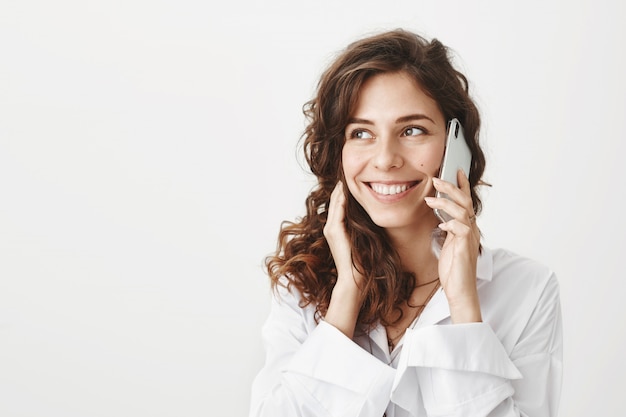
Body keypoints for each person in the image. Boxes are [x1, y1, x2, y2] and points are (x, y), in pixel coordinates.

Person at [249, 29, 562, 417]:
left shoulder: (527, 290)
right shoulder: (300, 287)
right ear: (338, 153)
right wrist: (346, 295)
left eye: (412, 130)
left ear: (456, 145)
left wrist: (464, 305)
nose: (385, 159)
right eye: (361, 132)